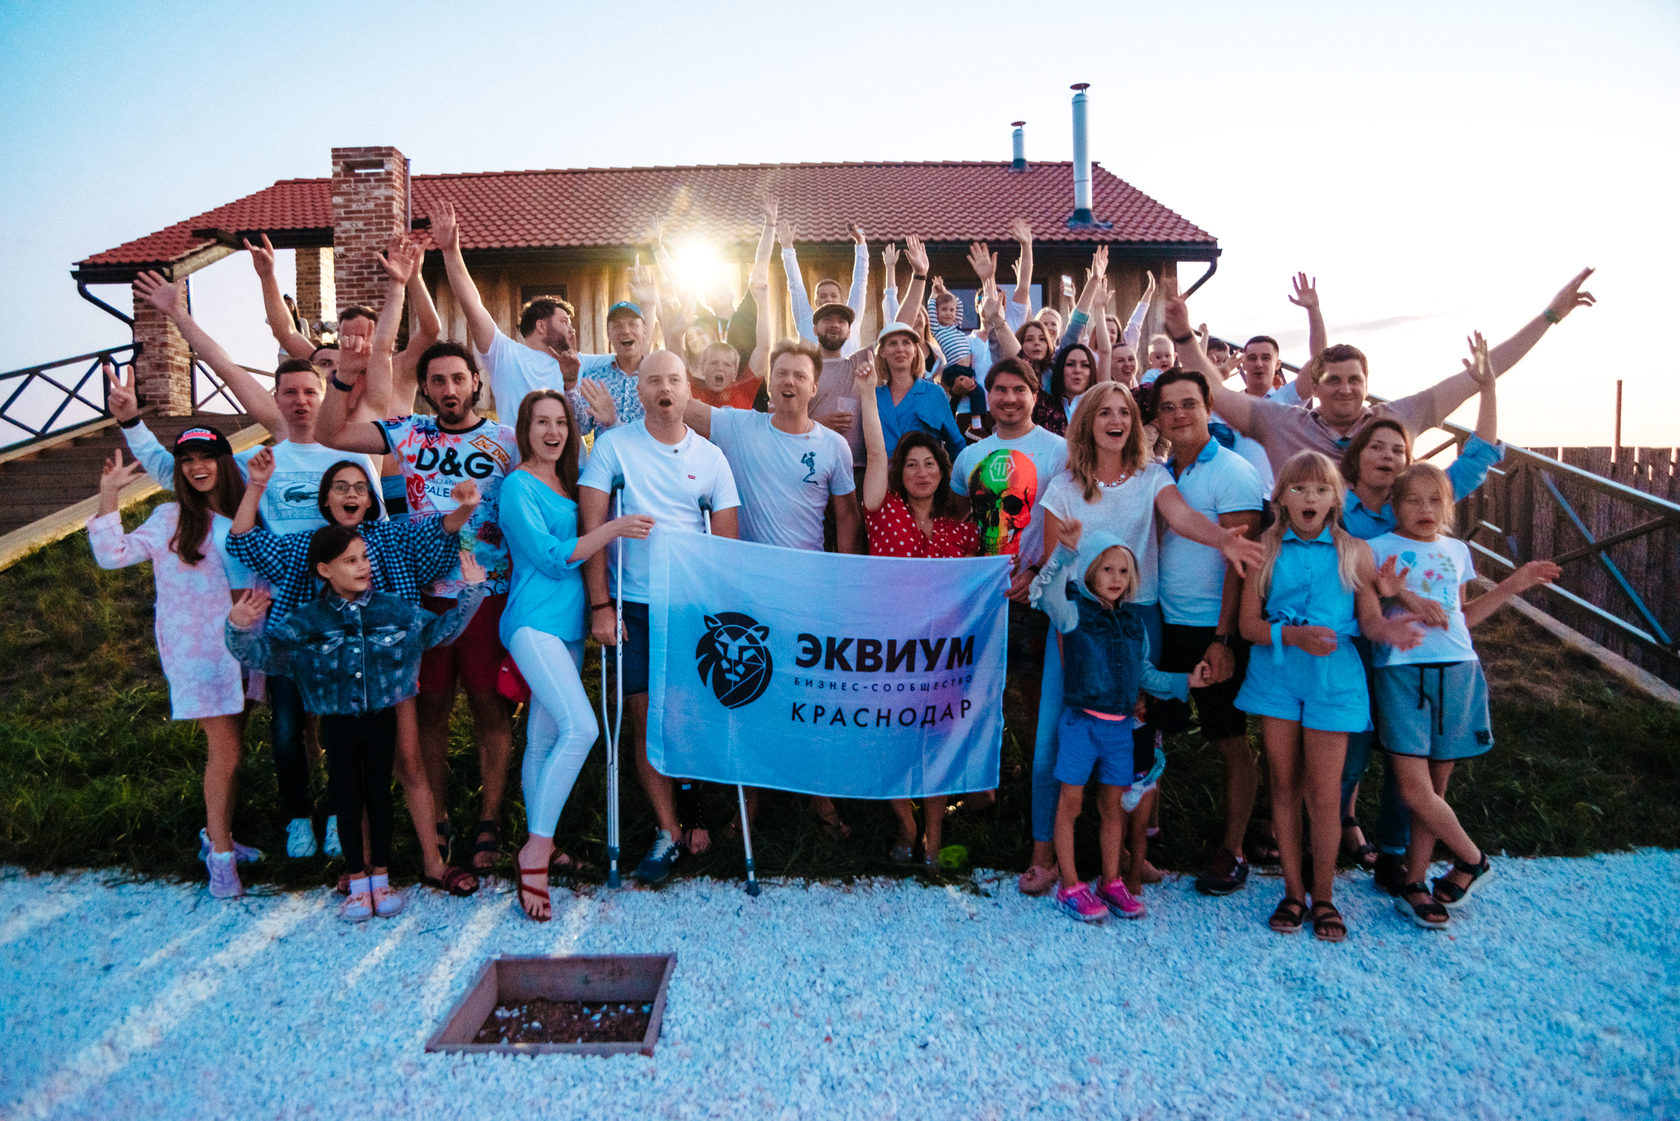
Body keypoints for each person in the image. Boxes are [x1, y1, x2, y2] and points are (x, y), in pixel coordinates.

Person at [126, 269, 382, 860]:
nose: (300, 401)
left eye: (310, 392)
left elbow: (376, 531)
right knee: (288, 727)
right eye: (288, 393)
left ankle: (342, 816)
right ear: (278, 399)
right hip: (286, 610)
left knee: (341, 722)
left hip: (343, 609)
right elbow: (184, 465)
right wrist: (175, 320)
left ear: (325, 396)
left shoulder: (356, 456)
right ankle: (297, 817)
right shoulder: (258, 461)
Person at [1023, 383, 1266, 894]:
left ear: (1135, 424)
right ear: (1087, 422)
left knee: (1137, 739)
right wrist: (1068, 638)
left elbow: (1182, 516)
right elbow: (1051, 570)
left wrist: (1223, 538)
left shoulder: (1153, 475)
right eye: (1104, 413)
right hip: (1077, 621)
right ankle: (1044, 854)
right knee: (1052, 738)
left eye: (1124, 413)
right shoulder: (1063, 486)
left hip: (1138, 618)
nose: (1116, 421)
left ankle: (1132, 854)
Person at [225, 449, 483, 897]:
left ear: (370, 499)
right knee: (352, 776)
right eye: (341, 487)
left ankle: (432, 861)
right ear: (325, 499)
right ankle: (360, 865)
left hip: (392, 673)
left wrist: (463, 510)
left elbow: (437, 534)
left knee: (410, 762)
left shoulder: (390, 536)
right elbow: (243, 541)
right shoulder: (306, 546)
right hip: (337, 680)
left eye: (360, 487)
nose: (351, 494)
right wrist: (258, 486)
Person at [314, 325, 520, 874]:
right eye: (438, 381)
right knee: (430, 711)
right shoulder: (410, 432)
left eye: (458, 378)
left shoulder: (507, 440)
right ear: (425, 388)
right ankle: (439, 819)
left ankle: (491, 819)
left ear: (476, 382)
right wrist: (343, 378)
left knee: (489, 707)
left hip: (488, 593)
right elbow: (330, 432)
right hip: (422, 597)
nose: (449, 389)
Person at [1335, 333, 1506, 890]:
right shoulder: (1339, 510)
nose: (1388, 457)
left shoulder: (1422, 501)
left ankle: (1395, 854)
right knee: (1351, 753)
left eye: (1398, 450)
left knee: (1406, 760)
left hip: (1413, 655)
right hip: (1352, 647)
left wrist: (1488, 387)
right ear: (1358, 457)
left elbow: (1479, 455)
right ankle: (1335, 831)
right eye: (1377, 448)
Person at [1233, 451, 1424, 942]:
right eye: (1298, 488)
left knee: (1324, 793)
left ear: (1335, 499)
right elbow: (1248, 625)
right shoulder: (1263, 548)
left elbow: (1369, 621)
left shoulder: (1355, 551)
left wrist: (1390, 629)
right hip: (1277, 675)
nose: (1309, 497)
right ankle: (1293, 892)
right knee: (1283, 786)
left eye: (1320, 489)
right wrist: (1293, 636)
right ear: (1281, 498)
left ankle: (1324, 896)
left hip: (1334, 679)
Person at [1365, 463, 1561, 928]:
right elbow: (1370, 614)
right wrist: (1404, 598)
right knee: (1413, 789)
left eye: (1435, 499)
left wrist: (1515, 583)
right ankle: (1473, 859)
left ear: (1449, 506)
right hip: (1401, 673)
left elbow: (1463, 616)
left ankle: (1415, 883)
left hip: (1459, 669)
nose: (1426, 509)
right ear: (1395, 505)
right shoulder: (1375, 549)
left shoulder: (1457, 550)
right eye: (1413, 500)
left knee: (1435, 790)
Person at [685, 337, 862, 840]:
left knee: (809, 695)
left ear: (814, 386)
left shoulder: (832, 446)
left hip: (808, 593)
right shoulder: (739, 427)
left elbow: (847, 517)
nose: (789, 381)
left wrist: (844, 582)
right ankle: (750, 802)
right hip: (748, 592)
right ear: (769, 383)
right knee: (751, 696)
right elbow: (679, 402)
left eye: (799, 375)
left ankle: (819, 798)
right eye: (781, 372)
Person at [1176, 268, 1596, 477]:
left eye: (1354, 380)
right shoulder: (1280, 422)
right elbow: (1216, 391)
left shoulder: (1397, 419)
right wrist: (1182, 335)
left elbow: (1483, 372)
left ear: (1366, 384)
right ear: (1314, 386)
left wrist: (1550, 316)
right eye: (1333, 380)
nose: (1345, 389)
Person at [580, 351, 741, 885]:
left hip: (690, 605)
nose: (664, 389)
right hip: (634, 604)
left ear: (687, 390)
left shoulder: (711, 457)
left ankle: (692, 804)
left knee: (688, 713)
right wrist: (601, 606)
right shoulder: (613, 448)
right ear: (640, 391)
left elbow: (725, 544)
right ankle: (668, 829)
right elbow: (593, 533)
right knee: (644, 715)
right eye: (653, 381)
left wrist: (720, 613)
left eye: (674, 380)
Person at [499, 389, 656, 920]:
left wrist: (608, 424)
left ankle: (543, 843)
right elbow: (550, 557)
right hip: (532, 623)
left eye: (561, 423)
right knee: (582, 728)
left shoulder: (568, 481)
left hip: (566, 630)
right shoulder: (518, 485)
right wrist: (611, 530)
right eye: (541, 422)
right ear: (525, 429)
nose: (552, 432)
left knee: (543, 740)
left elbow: (609, 474)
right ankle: (535, 852)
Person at [89, 434, 256, 899]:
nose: (197, 467)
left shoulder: (245, 513)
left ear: (224, 462)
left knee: (232, 750)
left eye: (206, 457)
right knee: (227, 752)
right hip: (201, 654)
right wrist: (109, 494)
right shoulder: (169, 518)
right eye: (187, 460)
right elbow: (112, 554)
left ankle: (218, 833)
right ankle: (220, 857)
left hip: (250, 646)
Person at [1030, 523, 1207, 922]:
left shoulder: (1133, 624)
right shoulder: (1073, 613)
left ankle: (1110, 881)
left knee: (1114, 806)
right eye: (1107, 569)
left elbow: (1145, 675)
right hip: (1081, 726)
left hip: (1119, 731)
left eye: (1124, 571)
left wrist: (1187, 681)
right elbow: (1044, 593)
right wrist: (1064, 552)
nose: (1116, 578)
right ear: (1090, 571)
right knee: (1070, 802)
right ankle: (1070, 886)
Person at [855, 354, 979, 862]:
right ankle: (906, 829)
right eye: (911, 464)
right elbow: (876, 451)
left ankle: (934, 839)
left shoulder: (961, 531)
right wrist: (868, 394)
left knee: (936, 745)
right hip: (889, 648)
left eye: (930, 463)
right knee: (888, 740)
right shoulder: (882, 510)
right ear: (899, 473)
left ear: (943, 472)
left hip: (942, 654)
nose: (921, 472)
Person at [1148, 369, 1267, 896]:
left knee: (1228, 738)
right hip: (1165, 621)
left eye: (1188, 403)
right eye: (1168, 406)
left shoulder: (1234, 472)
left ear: (1209, 407)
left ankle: (1233, 848)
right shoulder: (1162, 472)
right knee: (1151, 731)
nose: (1179, 414)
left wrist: (1223, 638)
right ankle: (1147, 835)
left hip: (1212, 628)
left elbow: (1242, 563)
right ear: (1157, 417)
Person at [949, 357, 1067, 829]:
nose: (1010, 398)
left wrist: (1038, 571)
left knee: (1037, 695)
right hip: (982, 597)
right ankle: (981, 792)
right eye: (1000, 389)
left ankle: (1044, 795)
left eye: (1020, 389)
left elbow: (1071, 516)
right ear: (989, 395)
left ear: (1035, 395)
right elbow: (959, 521)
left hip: (1036, 593)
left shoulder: (1058, 451)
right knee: (977, 692)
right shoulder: (969, 457)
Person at [429, 200, 621, 433]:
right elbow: (472, 305)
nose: (571, 329)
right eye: (564, 321)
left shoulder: (579, 363)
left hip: (573, 458)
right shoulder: (505, 354)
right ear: (541, 326)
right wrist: (450, 251)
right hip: (521, 457)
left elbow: (630, 357)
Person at [872, 321, 965, 465]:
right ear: (882, 352)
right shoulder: (873, 397)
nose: (900, 349)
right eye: (892, 343)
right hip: (883, 478)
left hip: (924, 477)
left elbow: (956, 444)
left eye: (906, 343)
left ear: (915, 350)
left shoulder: (934, 393)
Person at [778, 214, 868, 357]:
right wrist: (787, 247)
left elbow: (860, 282)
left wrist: (860, 242)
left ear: (842, 300)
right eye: (823, 296)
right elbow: (795, 285)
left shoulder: (852, 320)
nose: (828, 299)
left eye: (833, 295)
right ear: (816, 302)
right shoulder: (805, 320)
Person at [1031, 343, 1100, 437]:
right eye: (1070, 364)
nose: (1077, 370)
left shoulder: (1100, 407)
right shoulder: (1043, 406)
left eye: (1085, 365)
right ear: (1061, 369)